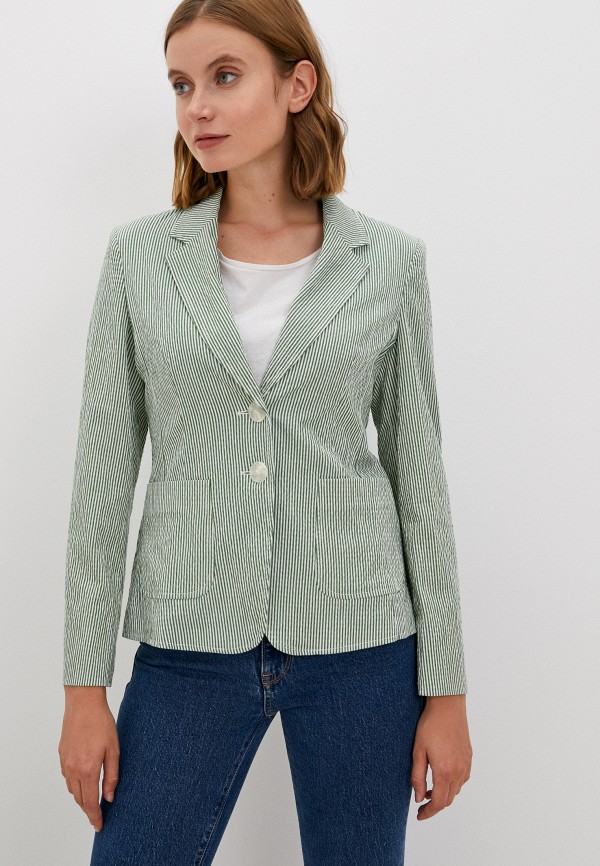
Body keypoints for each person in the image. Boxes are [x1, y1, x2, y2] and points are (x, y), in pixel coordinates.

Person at [58, 1, 473, 863]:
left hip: (361, 642)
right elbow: (101, 486)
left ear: (297, 85)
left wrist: (447, 692)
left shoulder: (389, 262)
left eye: (224, 76)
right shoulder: (139, 260)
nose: (198, 107)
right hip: (187, 636)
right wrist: (82, 688)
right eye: (181, 85)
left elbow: (420, 481)